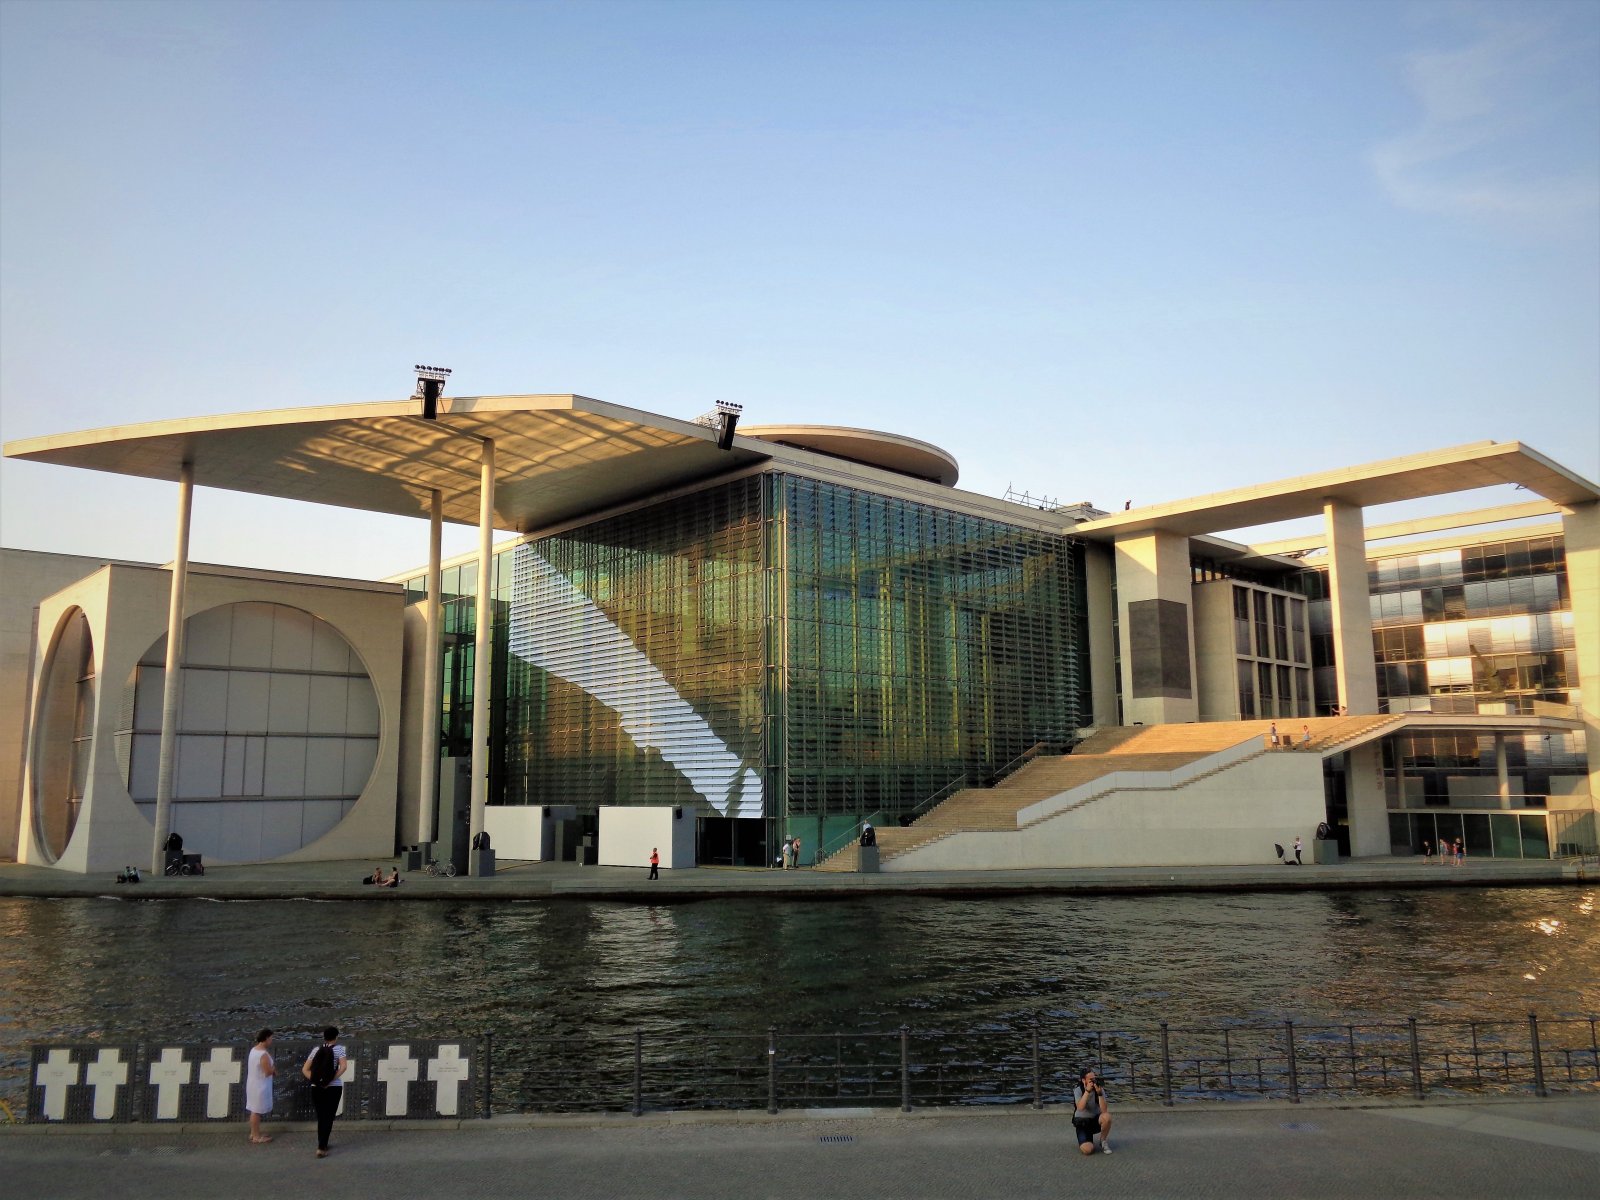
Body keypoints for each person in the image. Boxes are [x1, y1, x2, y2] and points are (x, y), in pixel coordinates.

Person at [302, 1025, 349, 1158]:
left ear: (324, 1037)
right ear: (336, 1036)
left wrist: (318, 1081)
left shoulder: (316, 1049)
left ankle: (322, 1143)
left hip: (316, 1088)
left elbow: (305, 1069)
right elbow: (344, 1067)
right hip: (333, 1087)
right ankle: (322, 1147)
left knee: (321, 1116)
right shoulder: (339, 1049)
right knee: (329, 1116)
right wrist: (329, 1080)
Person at [1072, 1066, 1112, 1154]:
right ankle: (1087, 1140)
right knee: (1088, 1150)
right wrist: (1087, 1091)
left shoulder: (1099, 1089)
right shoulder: (1078, 1090)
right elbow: (1080, 1107)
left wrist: (1100, 1094)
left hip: (1095, 1120)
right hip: (1082, 1123)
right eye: (1090, 1080)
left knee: (1107, 1117)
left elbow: (1104, 1110)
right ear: (1083, 1080)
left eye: (1094, 1079)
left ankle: (1103, 1141)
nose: (1093, 1082)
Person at [246, 1028, 275, 1144]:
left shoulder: (254, 1050)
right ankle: (257, 1136)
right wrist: (273, 1069)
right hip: (260, 1086)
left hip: (253, 1083)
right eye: (271, 1038)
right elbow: (267, 1072)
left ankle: (253, 1133)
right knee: (256, 1111)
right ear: (266, 1038)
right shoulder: (263, 1054)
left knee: (254, 1110)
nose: (272, 1040)